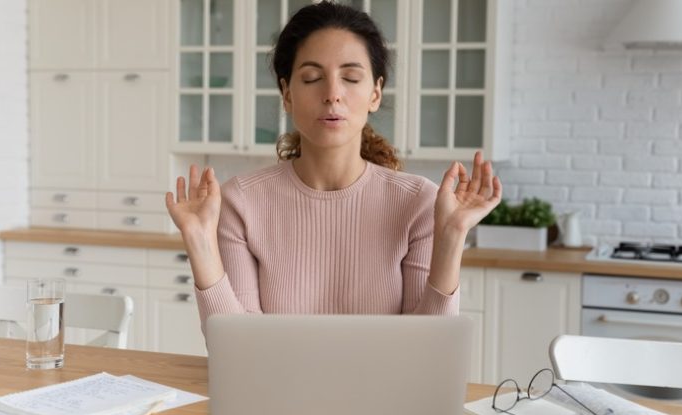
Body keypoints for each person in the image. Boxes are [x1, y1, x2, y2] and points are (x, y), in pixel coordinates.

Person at [165, 2, 501, 336]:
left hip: (385, 390)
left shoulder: (418, 203)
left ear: (375, 93)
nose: (332, 94)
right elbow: (235, 347)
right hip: (278, 390)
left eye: (351, 77)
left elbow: (430, 351)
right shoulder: (242, 202)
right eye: (312, 78)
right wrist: (199, 241)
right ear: (287, 94)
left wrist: (453, 235)